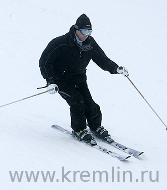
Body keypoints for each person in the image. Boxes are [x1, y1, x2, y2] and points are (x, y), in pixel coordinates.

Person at [39, 14, 128, 145]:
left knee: (90, 104)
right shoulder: (60, 43)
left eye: (89, 31)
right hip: (61, 81)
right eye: (84, 31)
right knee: (77, 102)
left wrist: (115, 68)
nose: (87, 34)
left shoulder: (90, 43)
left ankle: (95, 127)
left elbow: (102, 59)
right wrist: (50, 81)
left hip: (79, 79)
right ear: (76, 29)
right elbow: (45, 62)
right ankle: (79, 130)